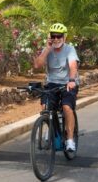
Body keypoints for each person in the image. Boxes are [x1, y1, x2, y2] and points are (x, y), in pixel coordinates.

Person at [34, 23, 80, 152]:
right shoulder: (47, 49)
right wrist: (47, 49)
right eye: (53, 36)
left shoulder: (70, 49)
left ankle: (70, 140)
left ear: (64, 37)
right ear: (50, 37)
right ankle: (51, 127)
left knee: (66, 107)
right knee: (45, 107)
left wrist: (71, 80)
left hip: (67, 83)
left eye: (58, 36)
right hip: (52, 83)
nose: (56, 39)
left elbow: (73, 66)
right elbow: (37, 65)